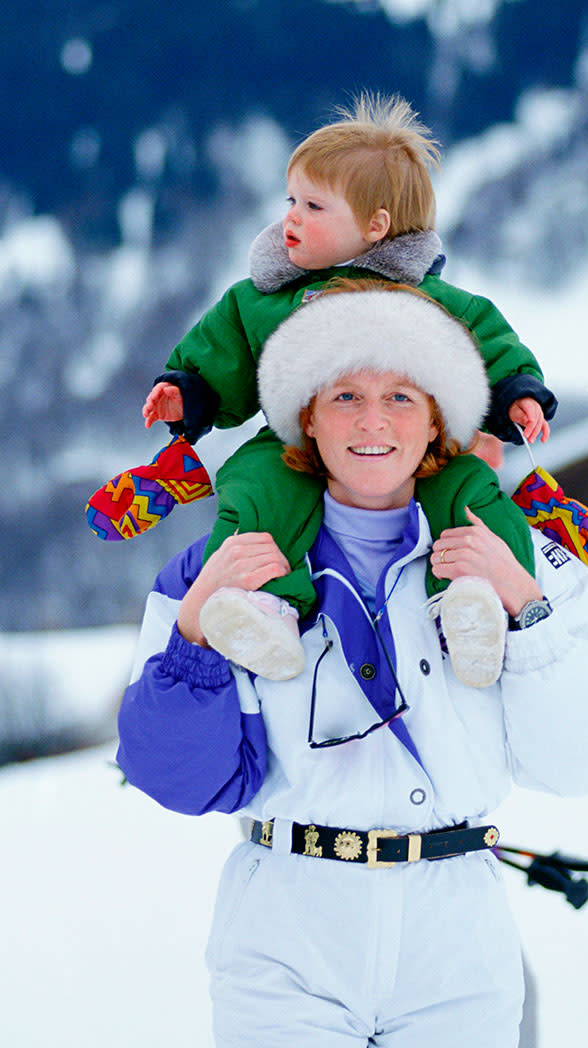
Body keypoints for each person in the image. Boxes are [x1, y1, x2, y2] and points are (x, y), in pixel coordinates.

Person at [117, 283, 588, 1048]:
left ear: (439, 418)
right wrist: (194, 632)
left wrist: (523, 608)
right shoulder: (223, 563)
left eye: (400, 395)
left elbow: (581, 762)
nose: (371, 421)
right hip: (286, 937)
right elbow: (172, 777)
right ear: (304, 415)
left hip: (455, 942)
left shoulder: (524, 555)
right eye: (345, 394)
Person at [140, 93, 558, 686]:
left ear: (375, 226)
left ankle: (471, 600)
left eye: (313, 206)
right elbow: (223, 344)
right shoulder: (266, 298)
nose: (291, 218)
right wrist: (187, 390)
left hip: (418, 448)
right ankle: (267, 607)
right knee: (252, 485)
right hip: (293, 440)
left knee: (470, 492)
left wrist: (518, 392)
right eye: (291, 201)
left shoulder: (425, 298)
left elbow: (485, 341)